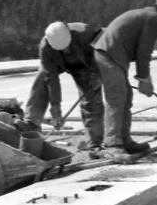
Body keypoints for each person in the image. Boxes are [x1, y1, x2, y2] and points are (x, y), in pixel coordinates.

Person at [92, 0, 157, 161]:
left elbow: (139, 49)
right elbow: (144, 51)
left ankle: (125, 140)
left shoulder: (145, 15)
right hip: (108, 56)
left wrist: (144, 78)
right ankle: (112, 145)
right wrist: (144, 79)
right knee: (117, 98)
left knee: (126, 97)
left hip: (109, 54)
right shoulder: (154, 18)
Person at [18, 21, 105, 158]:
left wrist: (97, 74)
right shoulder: (46, 47)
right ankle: (32, 123)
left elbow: (100, 54)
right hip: (58, 63)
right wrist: (55, 106)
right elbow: (50, 77)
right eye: (62, 49)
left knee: (91, 99)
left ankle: (95, 144)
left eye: (67, 48)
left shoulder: (85, 33)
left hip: (84, 64)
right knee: (42, 79)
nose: (65, 51)